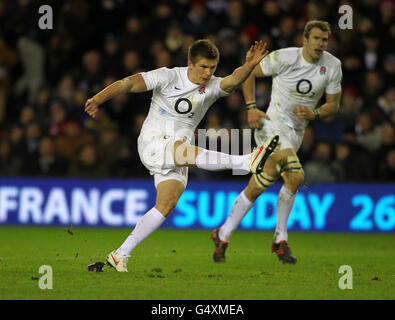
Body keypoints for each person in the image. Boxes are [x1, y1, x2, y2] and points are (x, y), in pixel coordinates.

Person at [85, 39, 279, 272]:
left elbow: (234, 79)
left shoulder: (213, 86)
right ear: (190, 63)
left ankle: (120, 254)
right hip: (154, 143)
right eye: (203, 67)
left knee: (167, 203)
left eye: (212, 68)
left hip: (179, 151)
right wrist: (97, 99)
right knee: (183, 149)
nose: (208, 73)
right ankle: (246, 161)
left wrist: (248, 65)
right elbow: (127, 83)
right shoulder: (168, 77)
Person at [211, 20, 342, 264]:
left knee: (259, 186)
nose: (320, 44)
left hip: (296, 132)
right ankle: (280, 239)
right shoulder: (286, 58)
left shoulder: (333, 66)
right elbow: (248, 70)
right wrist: (251, 107)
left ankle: (223, 233)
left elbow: (333, 104)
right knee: (296, 176)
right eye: (316, 39)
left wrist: (315, 114)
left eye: (324, 40)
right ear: (305, 39)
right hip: (271, 124)